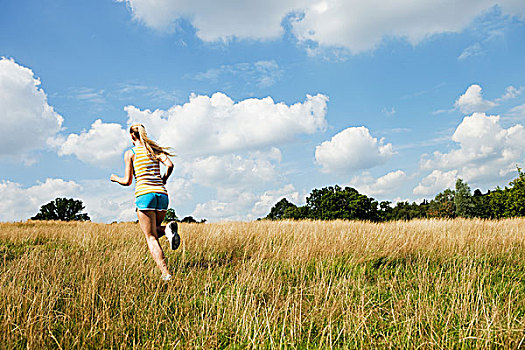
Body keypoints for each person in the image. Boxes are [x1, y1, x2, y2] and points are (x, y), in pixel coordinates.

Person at [110, 123, 180, 281]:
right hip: (162, 195)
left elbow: (127, 181)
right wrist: (164, 179)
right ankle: (168, 230)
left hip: (144, 194)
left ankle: (166, 273)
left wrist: (115, 178)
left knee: (151, 237)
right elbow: (170, 164)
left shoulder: (131, 153)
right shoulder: (154, 150)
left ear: (132, 136)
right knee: (154, 230)